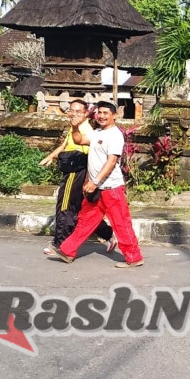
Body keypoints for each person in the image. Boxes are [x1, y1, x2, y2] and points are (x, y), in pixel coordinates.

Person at [49, 101, 144, 268]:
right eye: (99, 112)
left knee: (121, 223)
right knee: (85, 220)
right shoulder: (97, 133)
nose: (101, 116)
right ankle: (67, 251)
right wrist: (75, 127)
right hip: (96, 188)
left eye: (105, 113)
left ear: (114, 115)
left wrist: (95, 181)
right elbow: (79, 140)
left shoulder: (115, 135)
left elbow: (111, 162)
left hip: (111, 188)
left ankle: (134, 257)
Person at [39, 100, 115, 255]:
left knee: (65, 207)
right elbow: (65, 145)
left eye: (78, 111)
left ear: (85, 113)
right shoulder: (75, 126)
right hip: (73, 171)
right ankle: (108, 234)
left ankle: (60, 244)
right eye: (71, 110)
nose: (74, 114)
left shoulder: (86, 129)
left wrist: (91, 178)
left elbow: (92, 151)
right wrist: (51, 156)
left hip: (76, 172)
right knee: (80, 210)